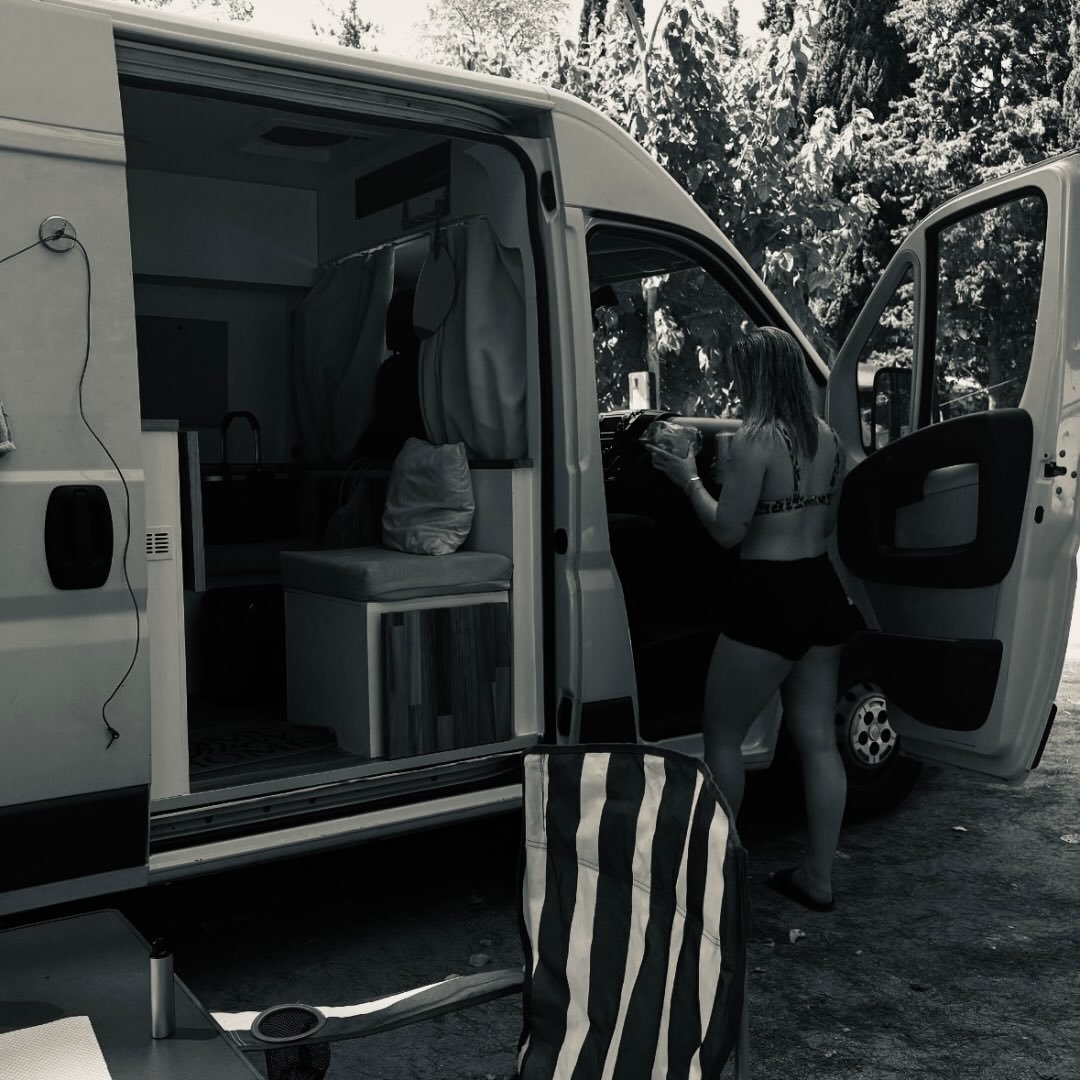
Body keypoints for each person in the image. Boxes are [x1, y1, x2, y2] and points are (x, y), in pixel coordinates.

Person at [647, 325, 861, 912]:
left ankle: (715, 881)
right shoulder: (828, 438)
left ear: (757, 377)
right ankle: (818, 878)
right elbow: (824, 524)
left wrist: (687, 477)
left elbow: (726, 531)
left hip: (768, 598)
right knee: (817, 740)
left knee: (722, 734)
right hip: (820, 591)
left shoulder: (754, 439)